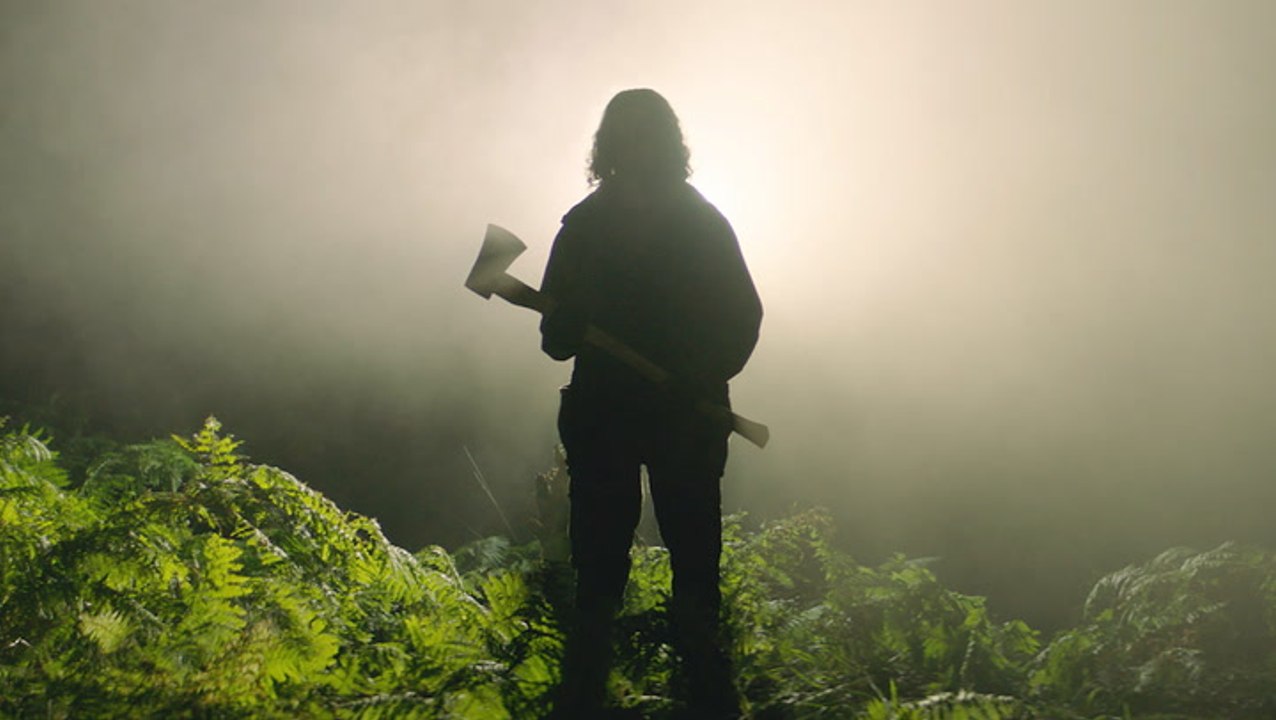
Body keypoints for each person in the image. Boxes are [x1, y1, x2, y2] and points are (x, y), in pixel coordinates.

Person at [539, 89, 763, 718]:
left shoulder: (698, 224)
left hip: (677, 414)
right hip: (612, 414)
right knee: (605, 559)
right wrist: (568, 321)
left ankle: (698, 681)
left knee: (690, 550)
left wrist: (702, 373)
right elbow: (556, 341)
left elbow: (742, 317)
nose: (635, 149)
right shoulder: (585, 229)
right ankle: (597, 686)